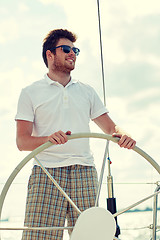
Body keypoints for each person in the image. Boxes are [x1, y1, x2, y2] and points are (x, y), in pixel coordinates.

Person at [15, 29, 136, 240]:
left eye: (75, 50)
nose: (73, 54)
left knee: (91, 237)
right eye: (67, 49)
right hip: (47, 173)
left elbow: (110, 128)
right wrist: (48, 139)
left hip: (84, 171)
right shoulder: (30, 92)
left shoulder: (86, 91)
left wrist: (124, 135)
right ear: (49, 54)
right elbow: (22, 141)